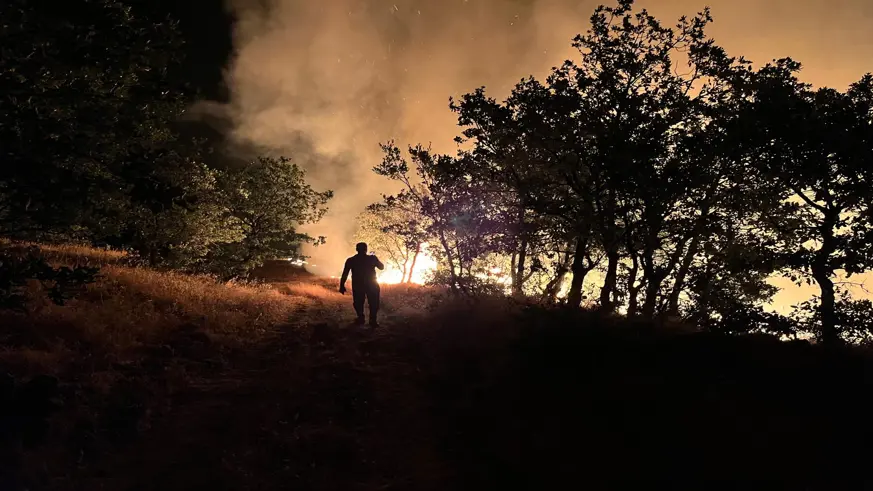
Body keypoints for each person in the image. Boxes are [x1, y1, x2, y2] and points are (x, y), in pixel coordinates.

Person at [339, 242, 384, 326]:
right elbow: (381, 267)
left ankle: (361, 318)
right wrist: (375, 259)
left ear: (356, 249)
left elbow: (345, 273)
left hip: (358, 285)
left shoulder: (351, 260)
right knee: (374, 302)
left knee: (358, 303)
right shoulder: (372, 259)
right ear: (366, 249)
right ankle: (372, 320)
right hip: (372, 284)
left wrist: (342, 285)